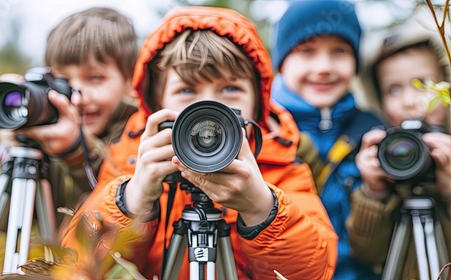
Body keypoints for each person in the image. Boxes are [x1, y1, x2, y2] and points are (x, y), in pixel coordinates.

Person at [61, 6, 338, 280]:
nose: (210, 107)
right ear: (157, 106)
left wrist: (261, 207)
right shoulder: (131, 160)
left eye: (230, 89)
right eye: (187, 90)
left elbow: (314, 271)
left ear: (258, 103)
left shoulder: (279, 165)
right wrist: (133, 199)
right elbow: (79, 266)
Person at [0, 7, 138, 278]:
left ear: (131, 82)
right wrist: (14, 148)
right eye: (62, 80)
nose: (77, 97)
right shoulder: (44, 134)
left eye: (95, 77)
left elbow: (122, 208)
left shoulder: (136, 133)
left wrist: (76, 152)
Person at [270, 1, 384, 279]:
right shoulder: (264, 131)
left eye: (339, 52)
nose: (323, 67)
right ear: (281, 62)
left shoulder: (373, 133)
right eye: (306, 51)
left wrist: (376, 191)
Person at [347, 22, 451, 279]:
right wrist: (373, 192)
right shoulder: (383, 159)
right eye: (394, 89)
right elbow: (366, 254)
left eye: (424, 83)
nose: (409, 100)